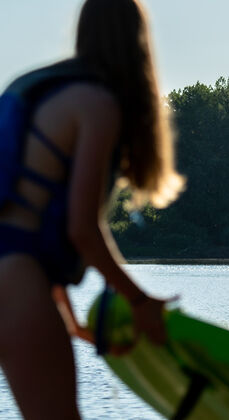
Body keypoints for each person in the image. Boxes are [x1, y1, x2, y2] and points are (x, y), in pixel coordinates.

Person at [0, 0, 184, 418]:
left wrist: (68, 318)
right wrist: (140, 302)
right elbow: (81, 229)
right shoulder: (97, 104)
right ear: (137, 41)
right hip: (14, 278)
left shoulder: (43, 89)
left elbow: (26, 223)